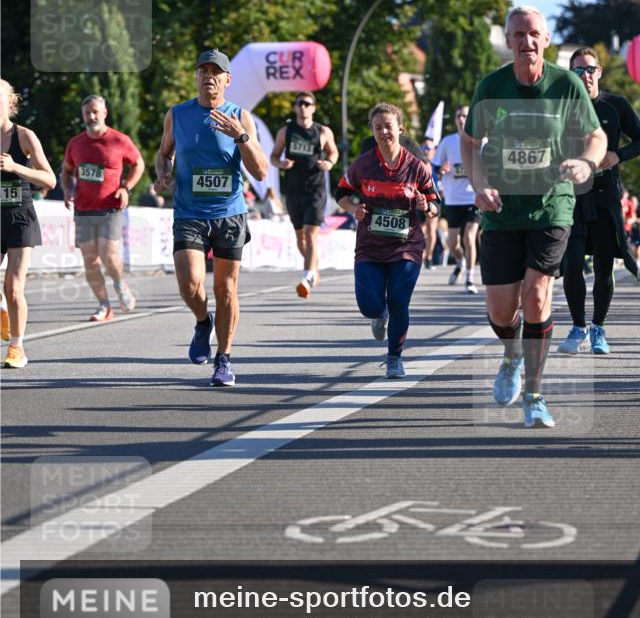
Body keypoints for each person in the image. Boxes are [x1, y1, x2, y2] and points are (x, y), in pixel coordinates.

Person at [461, 6, 607, 429]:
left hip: (551, 204)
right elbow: (470, 142)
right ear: (508, 41)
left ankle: (535, 394)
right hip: (502, 208)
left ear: (546, 41)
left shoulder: (565, 85)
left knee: (537, 294)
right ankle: (510, 356)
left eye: (534, 34)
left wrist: (586, 164)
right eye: (519, 34)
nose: (527, 41)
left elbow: (595, 136)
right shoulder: (492, 87)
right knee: (501, 311)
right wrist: (479, 184)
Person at [155, 48, 268, 387]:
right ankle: (203, 322)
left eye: (215, 72)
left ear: (227, 81)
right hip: (189, 211)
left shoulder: (240, 116)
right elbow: (163, 155)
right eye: (203, 71)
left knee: (225, 289)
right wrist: (164, 174)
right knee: (190, 285)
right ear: (197, 78)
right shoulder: (178, 114)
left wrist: (241, 138)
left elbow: (260, 171)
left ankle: (224, 358)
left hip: (229, 214)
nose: (209, 77)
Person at [335, 102, 439, 379]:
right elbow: (341, 193)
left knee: (399, 300)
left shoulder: (416, 167)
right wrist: (352, 209)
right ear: (373, 130)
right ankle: (379, 315)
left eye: (388, 126)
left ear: (400, 128)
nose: (383, 132)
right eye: (378, 127)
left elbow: (434, 204)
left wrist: (424, 205)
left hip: (407, 246)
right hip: (370, 246)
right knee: (369, 305)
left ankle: (395, 357)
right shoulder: (364, 163)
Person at [558, 48, 640, 355]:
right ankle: (577, 326)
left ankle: (598, 327)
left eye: (589, 69)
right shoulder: (562, 106)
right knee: (571, 266)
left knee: (603, 268)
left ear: (599, 72)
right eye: (577, 71)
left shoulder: (615, 105)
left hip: (605, 196)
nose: (584, 76)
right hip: (571, 198)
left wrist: (616, 155)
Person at [61, 94, 144, 322]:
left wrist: (126, 187)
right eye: (87, 112)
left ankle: (119, 284)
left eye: (96, 111)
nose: (91, 116)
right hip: (84, 208)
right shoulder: (75, 143)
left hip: (110, 207)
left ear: (104, 113)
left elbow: (139, 163)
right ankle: (104, 306)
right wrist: (68, 190)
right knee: (90, 260)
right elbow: (66, 170)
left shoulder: (119, 140)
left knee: (108, 255)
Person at [1, 79, 56, 367]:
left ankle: (16, 348)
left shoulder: (24, 136)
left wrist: (15, 167)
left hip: (20, 215)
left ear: (9, 104)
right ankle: (2, 311)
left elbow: (50, 179)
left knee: (13, 286)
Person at [270, 91, 338, 298]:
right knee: (301, 239)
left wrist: (329, 163)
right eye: (300, 103)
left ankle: (307, 277)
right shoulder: (286, 132)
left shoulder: (323, 132)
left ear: (313, 108)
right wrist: (280, 163)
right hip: (293, 190)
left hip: (315, 190)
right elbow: (273, 156)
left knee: (311, 234)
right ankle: (314, 266)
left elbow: (333, 152)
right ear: (295, 107)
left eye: (307, 104)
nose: (303, 107)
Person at [434, 105, 481, 293]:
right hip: (453, 200)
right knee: (453, 244)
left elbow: (490, 164)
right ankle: (460, 263)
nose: (462, 119)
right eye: (458, 116)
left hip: (474, 197)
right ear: (455, 120)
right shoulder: (447, 142)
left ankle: (470, 278)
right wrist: (441, 169)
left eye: (465, 116)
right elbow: (435, 167)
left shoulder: (480, 141)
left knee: (470, 237)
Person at [420, 138, 440, 268]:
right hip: (419, 200)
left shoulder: (437, 167)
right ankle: (420, 256)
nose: (426, 151)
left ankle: (428, 257)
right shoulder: (417, 165)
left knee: (431, 229)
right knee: (420, 230)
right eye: (424, 148)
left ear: (434, 151)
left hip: (433, 200)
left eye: (429, 148)